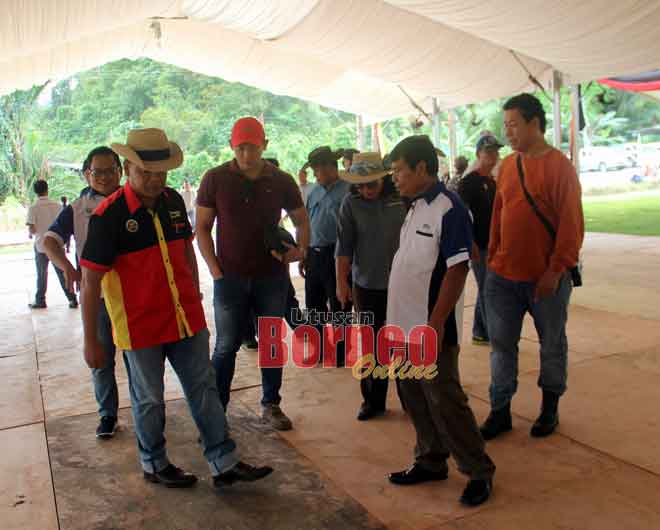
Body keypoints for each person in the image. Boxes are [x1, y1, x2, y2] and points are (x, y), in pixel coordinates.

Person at [80, 128, 272, 488]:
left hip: (186, 319)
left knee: (204, 388)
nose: (154, 180)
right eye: (145, 173)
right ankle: (154, 464)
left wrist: (194, 291)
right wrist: (92, 341)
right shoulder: (108, 216)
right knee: (150, 399)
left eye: (160, 173)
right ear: (126, 168)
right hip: (140, 328)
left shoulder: (171, 202)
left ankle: (224, 462)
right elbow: (90, 283)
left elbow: (185, 246)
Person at [386, 135, 495, 507]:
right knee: (412, 393)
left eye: (400, 170)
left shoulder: (449, 208)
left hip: (430, 326)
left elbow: (458, 267)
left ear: (421, 167)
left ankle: (478, 469)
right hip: (402, 323)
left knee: (444, 398)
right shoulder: (415, 206)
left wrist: (434, 323)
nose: (395, 177)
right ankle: (431, 459)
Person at [480, 93, 584, 440]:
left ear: (533, 123)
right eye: (505, 125)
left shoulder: (559, 167)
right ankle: (500, 410)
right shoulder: (508, 166)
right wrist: (492, 256)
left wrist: (556, 270)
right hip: (502, 277)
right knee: (501, 347)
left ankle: (549, 409)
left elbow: (571, 224)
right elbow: (499, 212)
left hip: (545, 280)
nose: (507, 132)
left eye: (512, 124)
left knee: (552, 344)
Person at [196, 117, 310, 431]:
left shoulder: (281, 180)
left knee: (272, 340)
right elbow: (202, 228)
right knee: (226, 345)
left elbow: (301, 219)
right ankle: (217, 411)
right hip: (229, 278)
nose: (247, 155)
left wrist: (300, 250)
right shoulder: (215, 179)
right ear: (232, 147)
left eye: (253, 148)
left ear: (265, 146)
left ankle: (271, 404)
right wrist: (214, 268)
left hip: (271, 276)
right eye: (241, 148)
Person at [43, 146, 123, 438]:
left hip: (132, 297)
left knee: (141, 359)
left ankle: (148, 411)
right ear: (87, 174)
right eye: (96, 171)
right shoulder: (77, 209)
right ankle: (107, 415)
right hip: (98, 298)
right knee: (101, 358)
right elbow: (49, 242)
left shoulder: (134, 201)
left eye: (110, 170)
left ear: (121, 172)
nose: (103, 177)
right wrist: (67, 267)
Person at [335, 152, 407, 420]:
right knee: (372, 347)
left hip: (401, 285)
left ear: (383, 179)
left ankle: (411, 399)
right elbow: (344, 248)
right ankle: (373, 401)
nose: (366, 190)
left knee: (402, 344)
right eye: (360, 185)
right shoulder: (350, 204)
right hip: (365, 285)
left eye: (371, 184)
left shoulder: (401, 198)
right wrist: (341, 283)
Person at [302, 146, 352, 365]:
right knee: (314, 305)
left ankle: (342, 350)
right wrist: (303, 251)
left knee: (339, 303)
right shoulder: (313, 191)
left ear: (330, 167)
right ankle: (320, 348)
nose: (314, 174)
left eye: (317, 170)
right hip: (314, 253)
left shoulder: (349, 190)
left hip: (338, 254)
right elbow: (305, 223)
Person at [457, 134, 502, 346]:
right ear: (478, 155)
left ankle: (480, 331)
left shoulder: (492, 182)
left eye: (496, 151)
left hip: (492, 244)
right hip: (478, 245)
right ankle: (494, 333)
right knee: (488, 288)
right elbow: (462, 214)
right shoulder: (469, 182)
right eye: (489, 151)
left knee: (487, 286)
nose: (493, 155)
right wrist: (470, 242)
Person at [26, 180, 78, 309]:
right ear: (47, 189)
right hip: (56, 245)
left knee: (42, 275)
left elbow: (32, 229)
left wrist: (33, 232)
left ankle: (40, 300)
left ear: (35, 191)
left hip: (41, 246)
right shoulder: (57, 206)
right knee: (63, 272)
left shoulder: (33, 208)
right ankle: (72, 299)